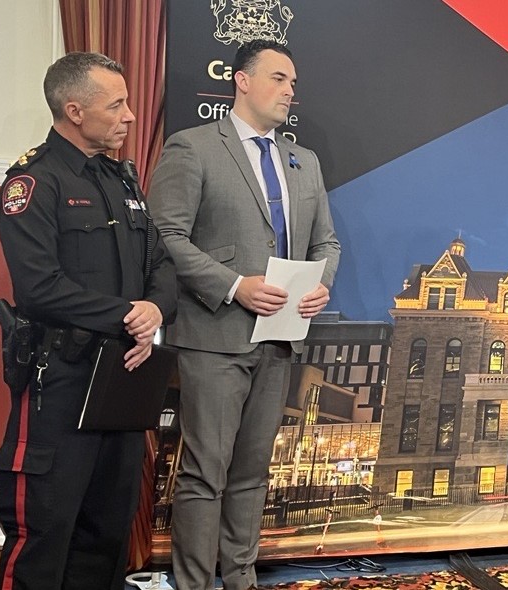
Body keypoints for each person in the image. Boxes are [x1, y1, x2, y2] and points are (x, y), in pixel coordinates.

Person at [147, 39, 340, 590]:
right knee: (204, 474)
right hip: (214, 337)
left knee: (252, 475)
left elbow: (327, 242)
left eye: (294, 83)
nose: (289, 91)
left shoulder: (304, 161)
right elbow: (165, 237)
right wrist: (234, 286)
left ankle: (240, 579)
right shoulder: (194, 147)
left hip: (280, 341)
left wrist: (318, 286)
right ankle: (192, 584)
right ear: (242, 81)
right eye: (279, 78)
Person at [0, 52, 177, 589]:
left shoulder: (121, 179)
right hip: (59, 380)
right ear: (74, 110)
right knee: (43, 536)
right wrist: (127, 313)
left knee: (107, 534)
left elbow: (160, 263)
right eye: (116, 104)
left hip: (123, 376)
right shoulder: (33, 183)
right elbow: (39, 287)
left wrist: (154, 310)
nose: (131, 116)